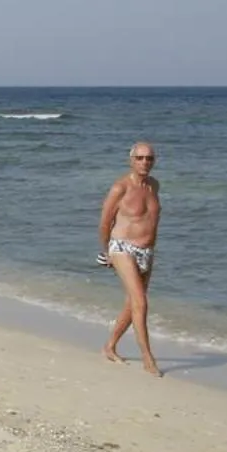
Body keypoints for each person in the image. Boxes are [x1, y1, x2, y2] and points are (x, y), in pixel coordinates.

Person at [97, 139, 162, 375]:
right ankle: (148, 358)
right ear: (131, 160)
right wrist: (107, 252)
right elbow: (104, 222)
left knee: (132, 303)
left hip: (146, 252)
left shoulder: (154, 185)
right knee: (141, 303)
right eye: (140, 158)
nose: (145, 162)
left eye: (149, 158)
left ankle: (110, 346)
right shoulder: (120, 187)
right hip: (121, 248)